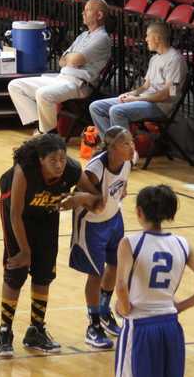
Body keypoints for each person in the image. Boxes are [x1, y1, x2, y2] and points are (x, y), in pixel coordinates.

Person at [0, 133, 102, 357]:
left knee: (44, 273)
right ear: (41, 160)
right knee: (17, 270)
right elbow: (15, 214)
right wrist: (24, 251)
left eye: (62, 159)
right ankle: (4, 331)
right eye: (53, 160)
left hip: (46, 213)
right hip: (18, 214)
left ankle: (36, 329)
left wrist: (80, 198)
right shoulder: (24, 170)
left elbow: (97, 199)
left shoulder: (72, 170)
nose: (59, 164)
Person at [114, 184, 194, 376]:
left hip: (139, 325)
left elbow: (120, 285)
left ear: (139, 211)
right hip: (170, 326)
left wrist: (123, 307)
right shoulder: (182, 243)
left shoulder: (130, 242)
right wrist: (180, 306)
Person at [69, 126, 137, 350]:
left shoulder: (129, 159)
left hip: (114, 218)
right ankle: (93, 325)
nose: (132, 146)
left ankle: (104, 310)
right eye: (126, 143)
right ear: (113, 147)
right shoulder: (95, 168)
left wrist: (120, 192)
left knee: (116, 265)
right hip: (91, 225)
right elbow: (78, 196)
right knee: (95, 274)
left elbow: (122, 184)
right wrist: (95, 201)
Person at [8, 0, 111, 135]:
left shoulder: (102, 38)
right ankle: (41, 126)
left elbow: (76, 59)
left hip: (79, 84)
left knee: (43, 94)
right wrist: (71, 59)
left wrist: (71, 58)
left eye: (87, 10)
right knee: (15, 85)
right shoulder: (82, 35)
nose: (83, 13)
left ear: (99, 15)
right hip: (62, 77)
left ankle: (49, 134)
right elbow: (62, 60)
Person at [89, 21, 186, 134]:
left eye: (147, 35)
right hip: (145, 99)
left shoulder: (175, 60)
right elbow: (146, 86)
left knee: (117, 111)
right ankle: (111, 145)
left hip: (161, 107)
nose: (145, 39)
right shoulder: (154, 59)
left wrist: (137, 98)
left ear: (157, 38)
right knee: (96, 107)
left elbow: (166, 94)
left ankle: (125, 149)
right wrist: (131, 94)